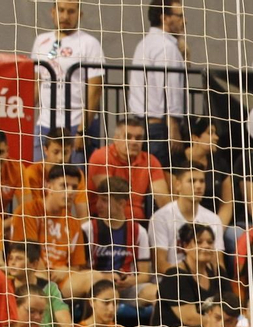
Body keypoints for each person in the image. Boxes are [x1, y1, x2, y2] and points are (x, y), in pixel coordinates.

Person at [29, 0, 106, 161]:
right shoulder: (41, 41)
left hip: (74, 124)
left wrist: (82, 130)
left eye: (71, 11)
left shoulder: (89, 44)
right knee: (40, 178)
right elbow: (36, 84)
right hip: (44, 124)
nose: (65, 16)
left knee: (73, 181)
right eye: (61, 10)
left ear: (80, 14)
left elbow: (95, 91)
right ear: (52, 12)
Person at [11, 166, 100, 298]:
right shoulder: (28, 211)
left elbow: (77, 265)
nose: (70, 192)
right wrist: (47, 277)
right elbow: (29, 254)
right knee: (34, 272)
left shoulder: (74, 222)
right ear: (49, 187)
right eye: (64, 185)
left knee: (97, 278)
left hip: (61, 280)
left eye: (74, 187)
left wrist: (66, 270)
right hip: (33, 274)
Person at [148, 223, 233, 327]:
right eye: (199, 242)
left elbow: (232, 307)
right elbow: (189, 318)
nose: (206, 246)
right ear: (186, 246)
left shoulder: (218, 273)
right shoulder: (174, 275)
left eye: (210, 242)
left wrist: (229, 325)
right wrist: (220, 325)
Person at [129, 0, 190, 167]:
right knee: (163, 176)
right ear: (165, 18)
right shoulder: (166, 47)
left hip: (144, 123)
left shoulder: (145, 43)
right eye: (180, 16)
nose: (184, 21)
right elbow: (170, 88)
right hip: (160, 127)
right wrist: (174, 126)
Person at [84, 177, 157, 306]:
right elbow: (80, 271)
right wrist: (104, 277)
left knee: (156, 293)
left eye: (105, 201)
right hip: (96, 287)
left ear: (122, 204)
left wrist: (130, 281)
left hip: (127, 289)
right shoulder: (88, 229)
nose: (98, 205)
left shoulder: (138, 231)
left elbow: (145, 275)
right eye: (99, 199)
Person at [88, 116, 170, 222]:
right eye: (128, 137)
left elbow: (163, 197)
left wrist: (173, 221)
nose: (134, 142)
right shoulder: (101, 156)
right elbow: (109, 197)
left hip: (137, 222)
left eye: (138, 138)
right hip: (104, 220)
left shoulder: (150, 160)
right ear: (116, 139)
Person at [149, 167, 224, 271]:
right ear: (178, 185)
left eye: (202, 181)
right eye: (192, 181)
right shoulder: (160, 218)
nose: (198, 186)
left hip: (203, 281)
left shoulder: (213, 219)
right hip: (171, 279)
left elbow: (217, 263)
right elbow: (160, 266)